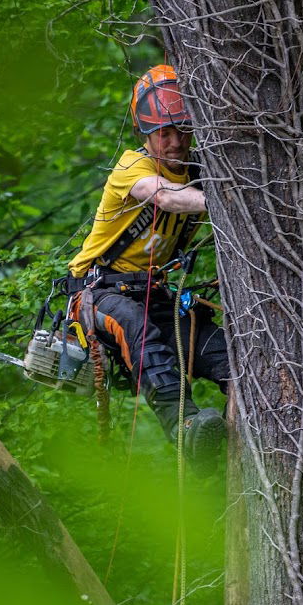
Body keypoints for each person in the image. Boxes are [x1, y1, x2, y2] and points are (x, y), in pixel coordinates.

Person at [67, 65, 228, 465]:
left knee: (220, 349)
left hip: (154, 293)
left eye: (182, 131)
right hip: (99, 294)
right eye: (164, 134)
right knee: (141, 334)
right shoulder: (131, 170)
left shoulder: (198, 171)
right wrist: (230, 203)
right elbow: (167, 197)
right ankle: (184, 428)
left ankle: (233, 439)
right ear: (146, 134)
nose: (175, 142)